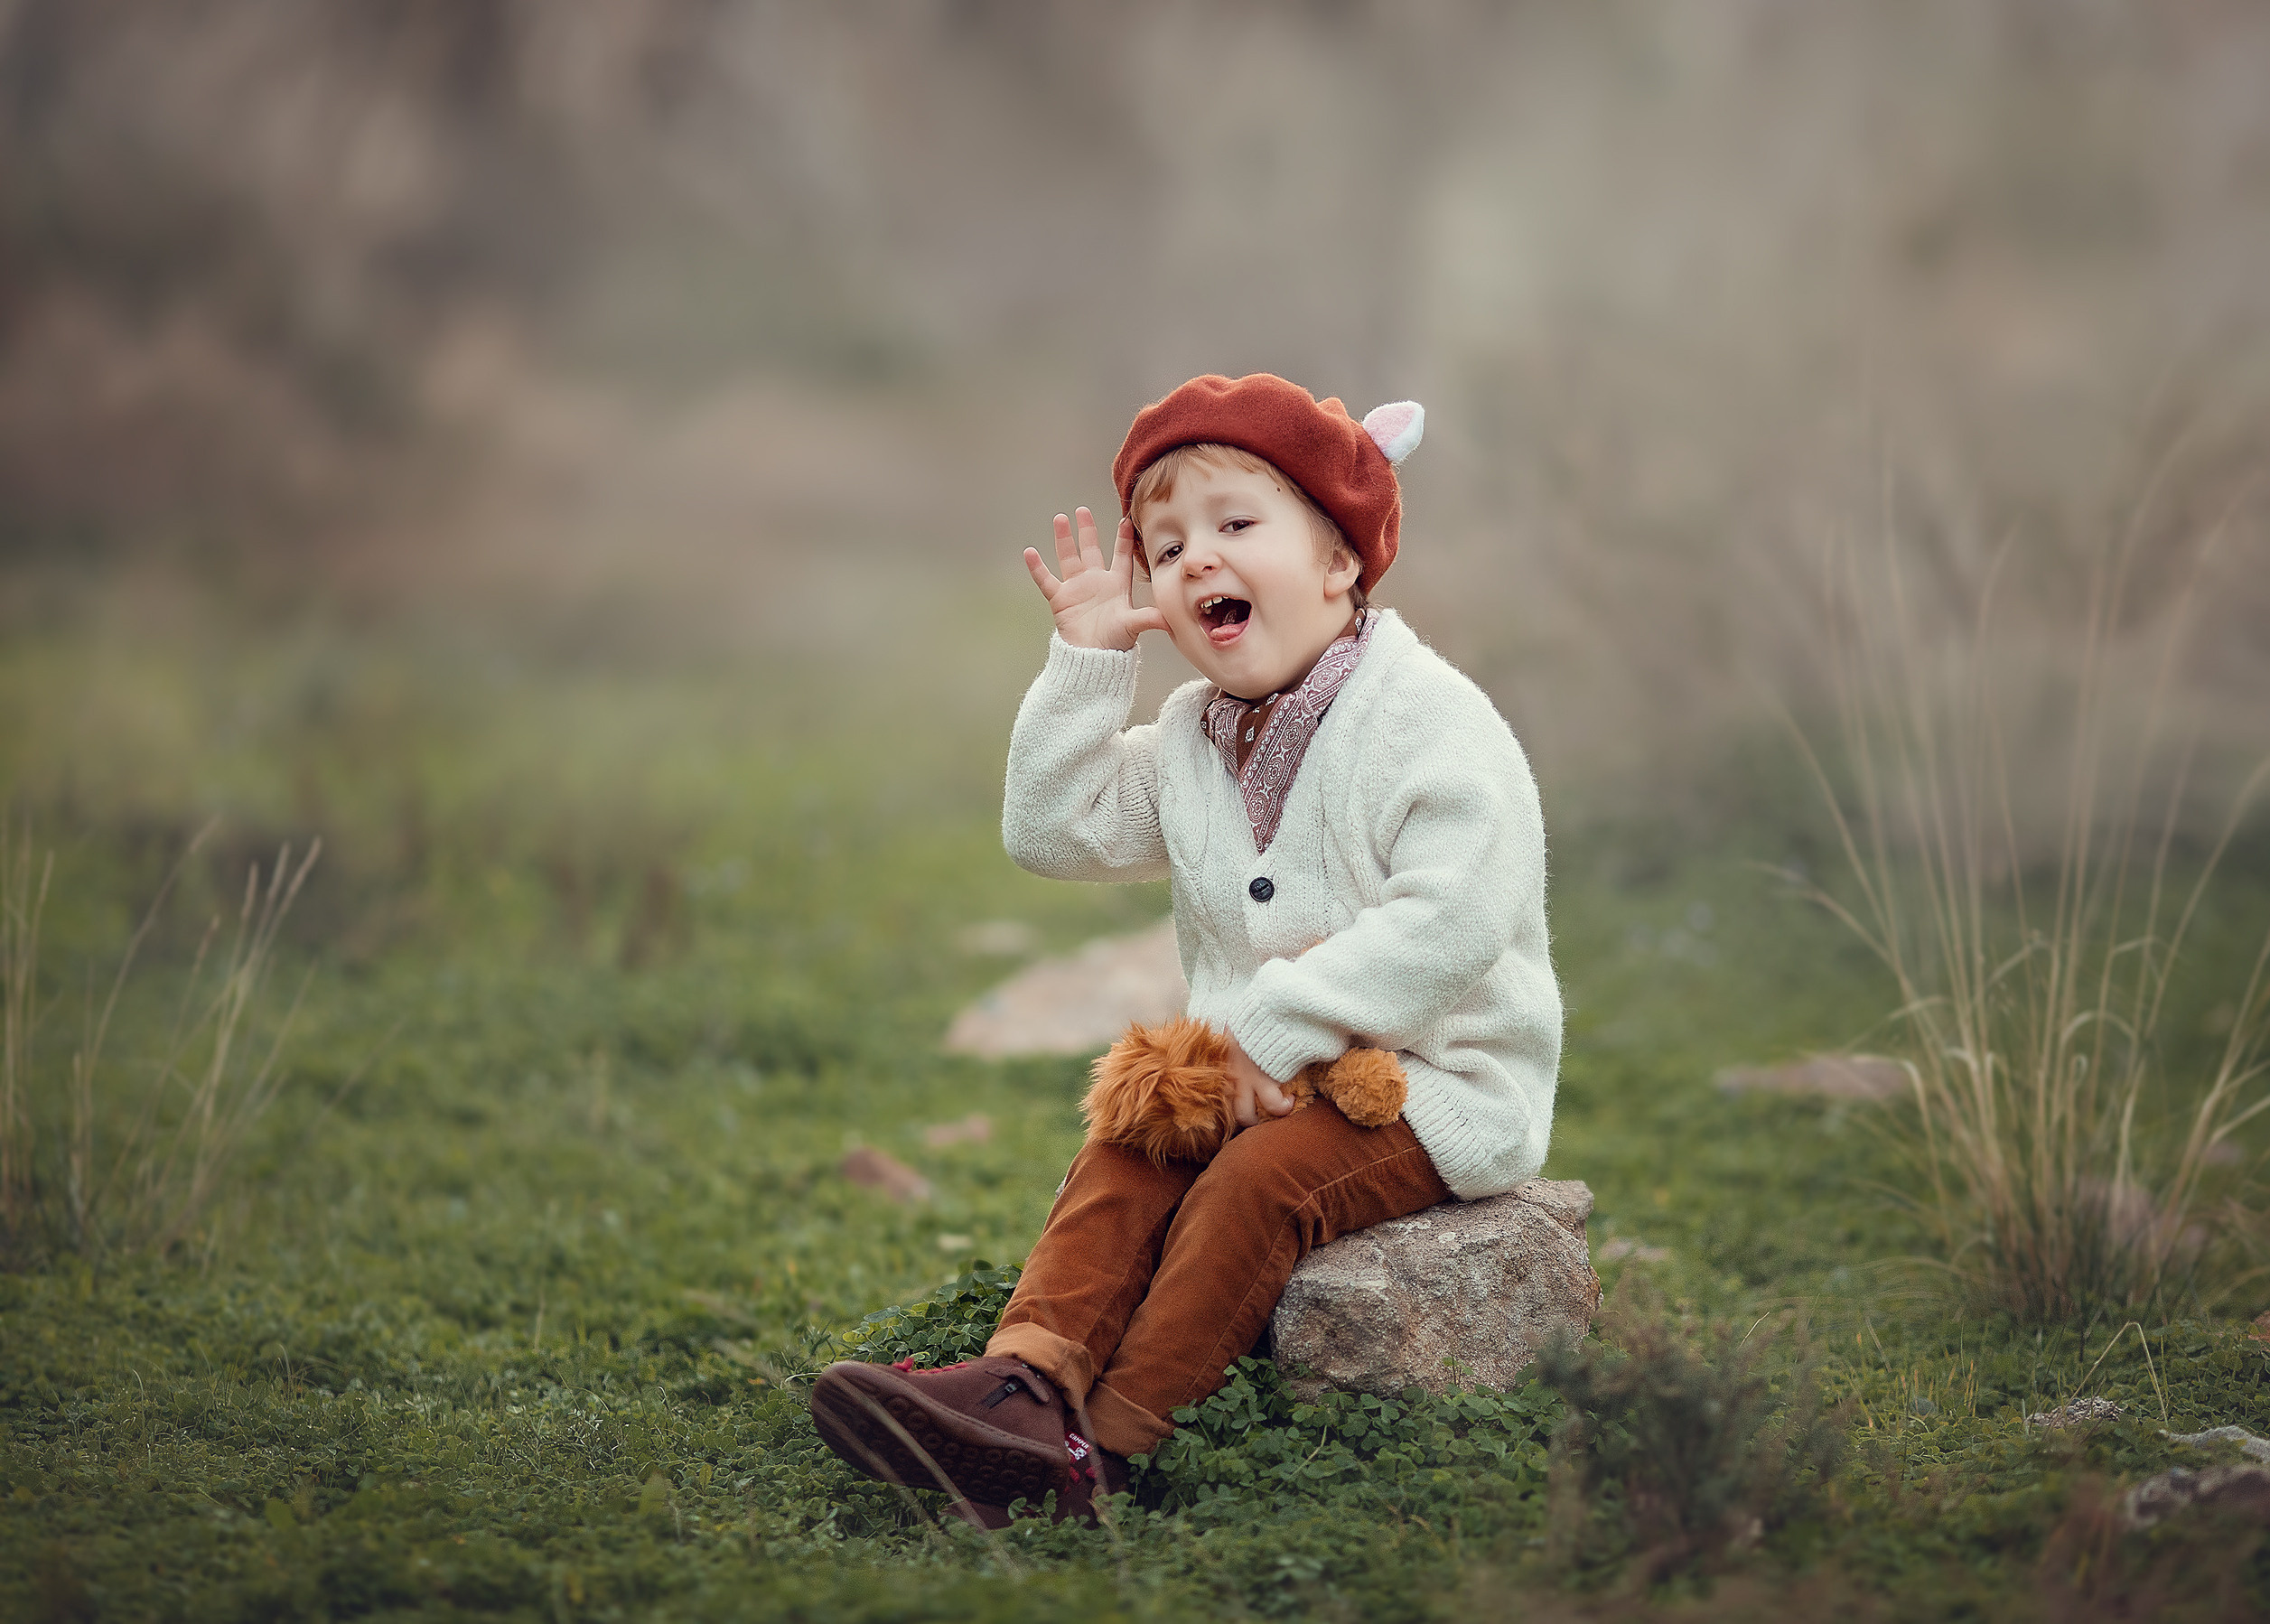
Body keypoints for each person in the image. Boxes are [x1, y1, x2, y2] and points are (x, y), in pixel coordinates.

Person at [809, 373, 1561, 1524]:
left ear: (1337, 562)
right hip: (1263, 1068)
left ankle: (1105, 1450)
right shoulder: (1193, 740)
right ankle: (1025, 1381)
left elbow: (1452, 919)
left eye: (1234, 525)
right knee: (1135, 1133)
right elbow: (1048, 830)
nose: (1195, 558)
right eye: (1164, 547)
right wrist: (1086, 666)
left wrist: (1268, 1025)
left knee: (1254, 1181)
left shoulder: (1428, 719)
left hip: (1427, 1082)